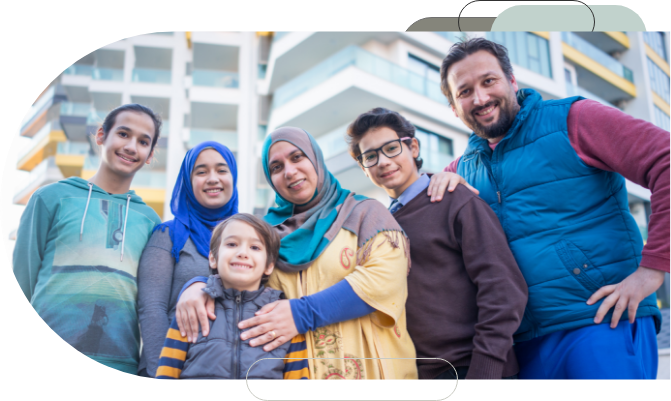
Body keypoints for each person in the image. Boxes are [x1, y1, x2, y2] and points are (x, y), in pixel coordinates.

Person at [435, 37, 670, 380]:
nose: (481, 98)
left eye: (489, 81)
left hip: (601, 321)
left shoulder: (574, 120)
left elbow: (666, 160)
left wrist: (653, 270)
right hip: (523, 345)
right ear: (455, 108)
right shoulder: (458, 172)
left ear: (512, 81)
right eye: (465, 91)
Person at [176, 127, 418, 380]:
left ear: (316, 159)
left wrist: (301, 314)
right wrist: (196, 285)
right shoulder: (264, 234)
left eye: (297, 157)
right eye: (277, 167)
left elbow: (384, 281)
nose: (289, 172)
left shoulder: (365, 213)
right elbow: (236, 281)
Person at [346, 107, 528, 380]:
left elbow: (504, 290)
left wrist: (484, 371)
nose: (383, 161)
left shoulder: (457, 200)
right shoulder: (381, 225)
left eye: (391, 148)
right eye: (370, 156)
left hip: (472, 370)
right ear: (363, 168)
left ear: (413, 148)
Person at [13, 104, 163, 375]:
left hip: (121, 362)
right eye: (123, 134)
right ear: (101, 136)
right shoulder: (51, 198)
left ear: (150, 155)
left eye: (143, 141)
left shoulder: (151, 222)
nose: (131, 147)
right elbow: (23, 279)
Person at [137, 141, 238, 378]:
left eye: (222, 170)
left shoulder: (249, 238)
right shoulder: (168, 235)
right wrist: (162, 372)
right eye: (201, 172)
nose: (213, 178)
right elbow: (152, 309)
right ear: (188, 181)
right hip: (174, 368)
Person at [155, 213, 292, 380]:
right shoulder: (192, 309)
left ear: (269, 266)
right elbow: (167, 372)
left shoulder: (282, 315)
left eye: (255, 247)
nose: (242, 253)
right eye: (232, 244)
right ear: (213, 258)